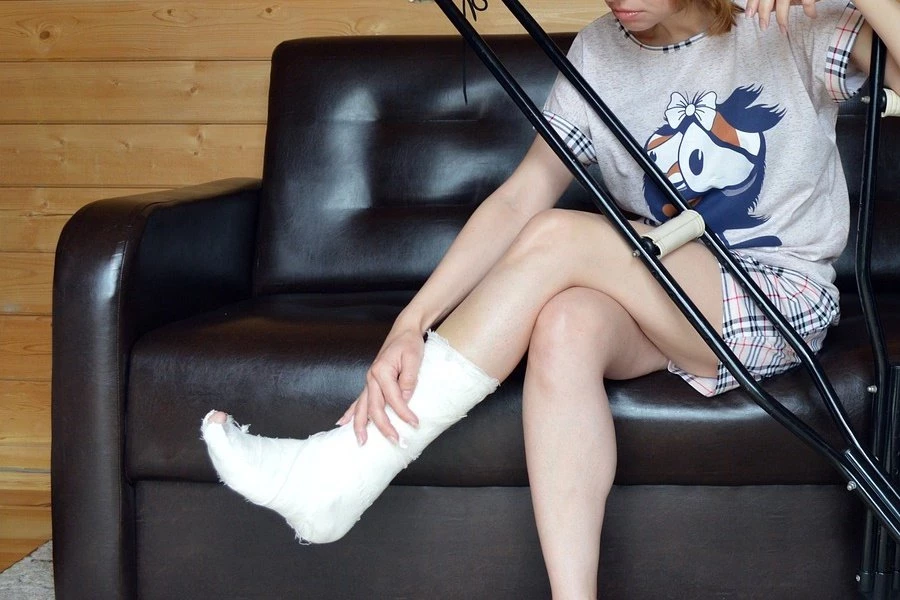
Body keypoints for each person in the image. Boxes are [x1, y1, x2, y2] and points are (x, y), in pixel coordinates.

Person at [201, 0, 899, 597]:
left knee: (563, 235)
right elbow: (521, 196)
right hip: (659, 292)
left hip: (774, 296)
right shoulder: (597, 50)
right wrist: (409, 324)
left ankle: (338, 473)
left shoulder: (789, 21)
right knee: (564, 325)